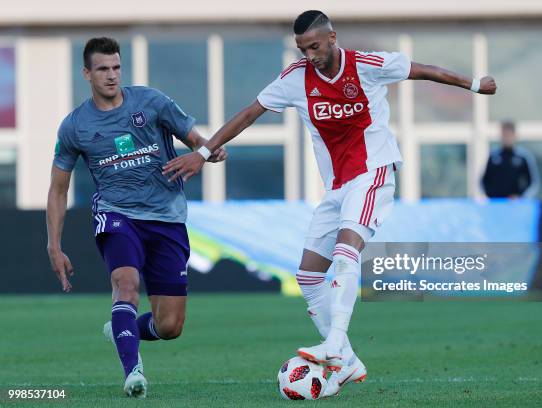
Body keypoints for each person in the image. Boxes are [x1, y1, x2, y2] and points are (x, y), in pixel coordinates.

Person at [162, 10, 497, 397]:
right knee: (307, 276)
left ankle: (335, 343)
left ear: (333, 37)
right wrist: (203, 153)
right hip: (336, 188)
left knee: (345, 248)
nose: (310, 55)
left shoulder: (368, 65)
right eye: (302, 49)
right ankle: (349, 362)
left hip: (373, 172)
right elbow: (249, 113)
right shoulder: (295, 79)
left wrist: (474, 84)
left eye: (315, 46)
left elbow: (424, 70)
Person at [46, 37, 226, 398]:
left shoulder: (152, 102)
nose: (111, 76)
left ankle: (121, 327)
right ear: (87, 73)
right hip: (116, 215)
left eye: (116, 67)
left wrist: (208, 151)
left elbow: (196, 140)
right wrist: (53, 245)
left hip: (167, 217)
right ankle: (133, 373)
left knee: (170, 325)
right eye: (102, 69)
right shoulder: (75, 126)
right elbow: (58, 189)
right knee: (125, 282)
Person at [482, 121, 540, 199]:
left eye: (509, 135)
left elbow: (533, 182)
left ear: (514, 136)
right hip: (496, 203)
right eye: (504, 135)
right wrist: (491, 195)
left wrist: (520, 197)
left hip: (516, 204)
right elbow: (484, 181)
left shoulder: (523, 157)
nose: (506, 138)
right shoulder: (493, 156)